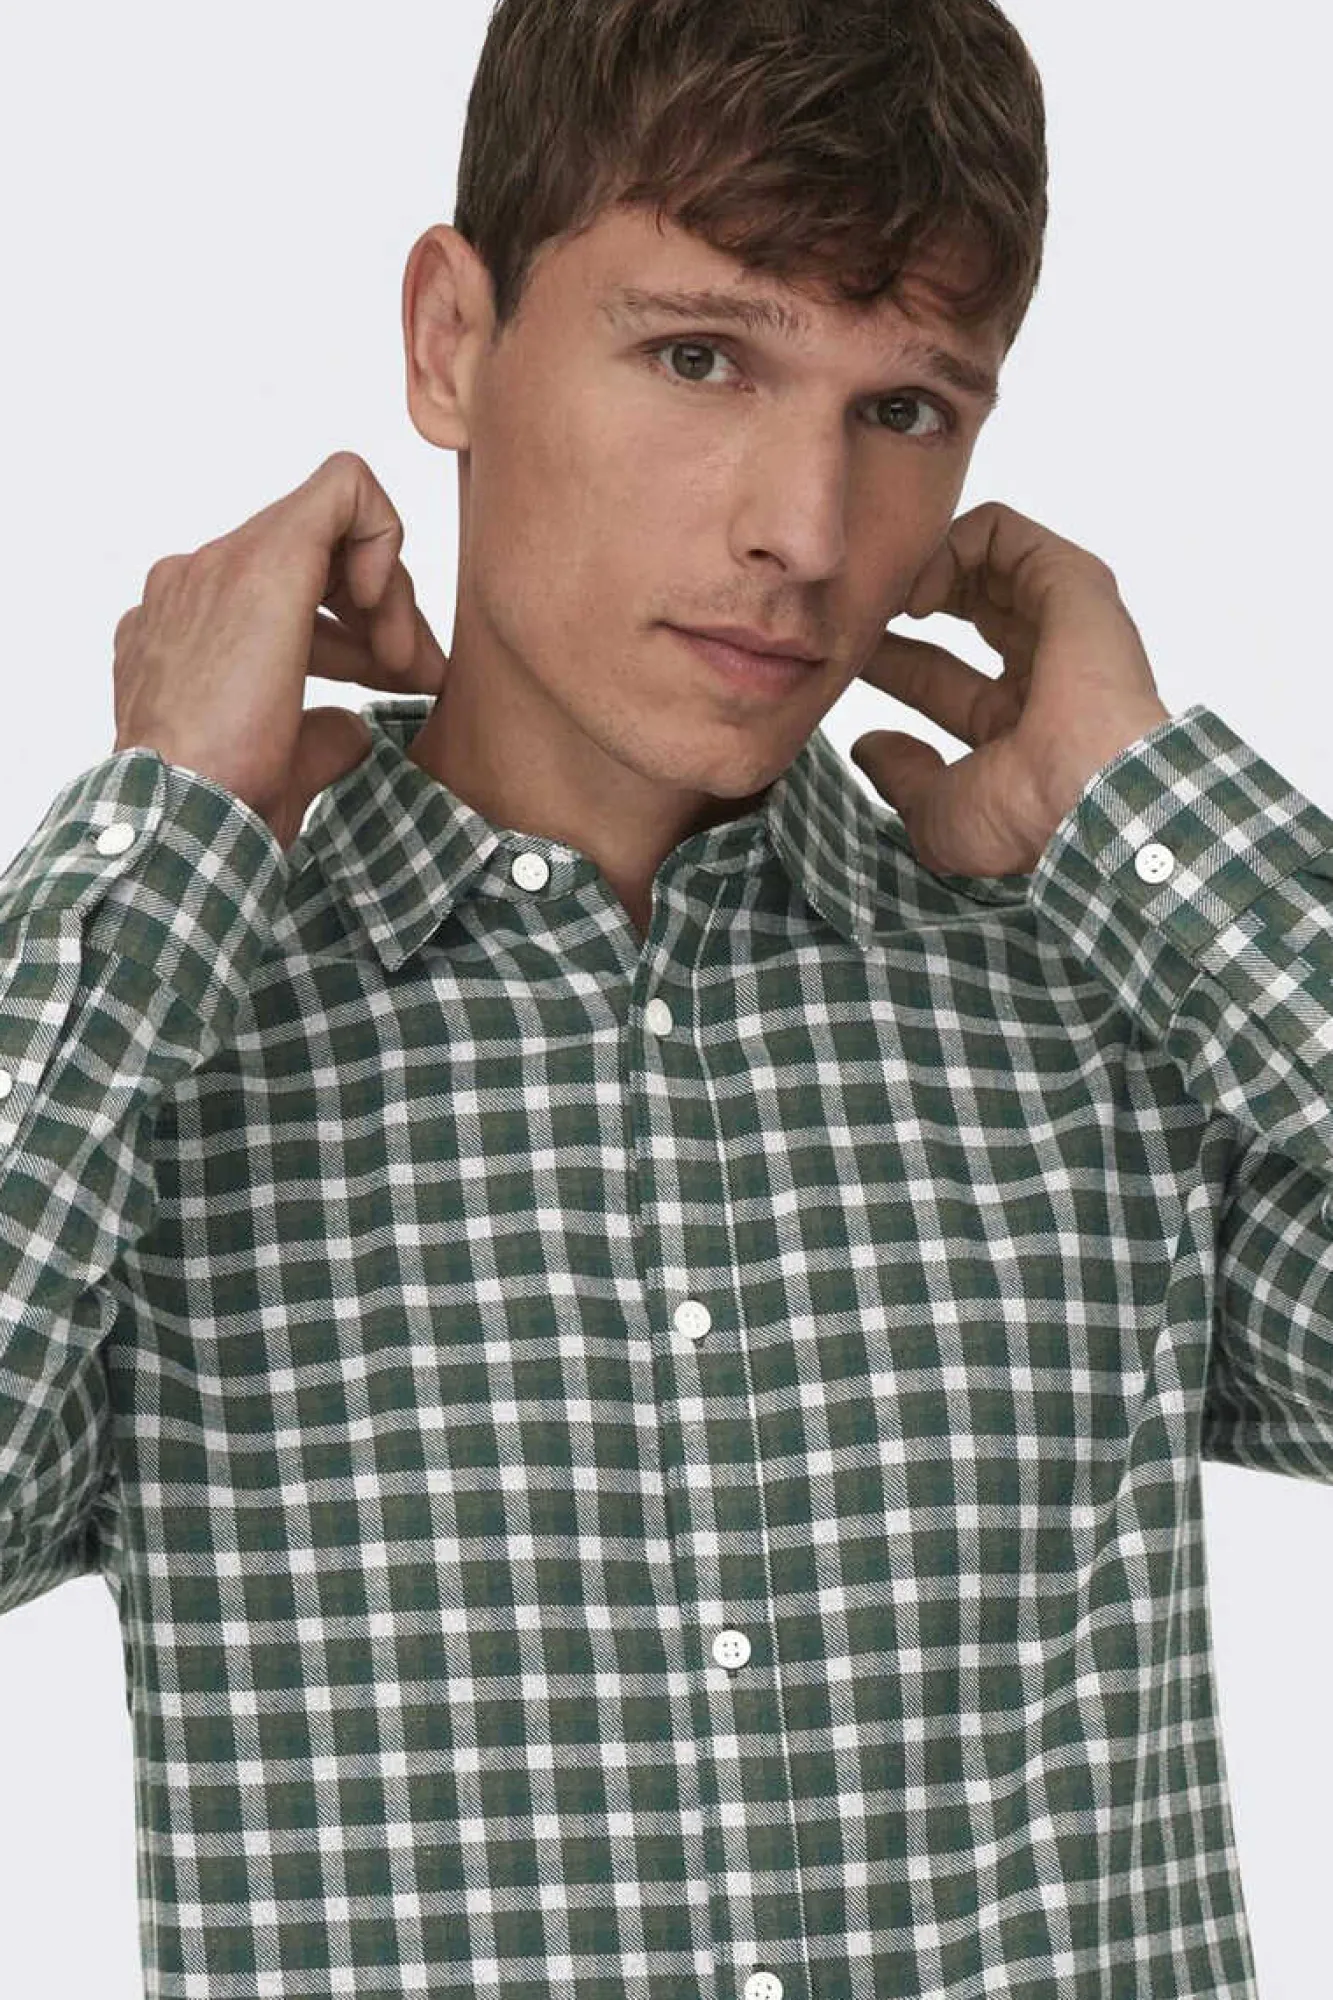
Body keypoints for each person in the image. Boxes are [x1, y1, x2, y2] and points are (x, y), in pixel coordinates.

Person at [1, 0, 1328, 1994]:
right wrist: (161, 832)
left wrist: (1154, 823)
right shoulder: (160, 1055)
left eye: (905, 409)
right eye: (701, 355)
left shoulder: (1100, 999)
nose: (804, 531)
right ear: (453, 340)